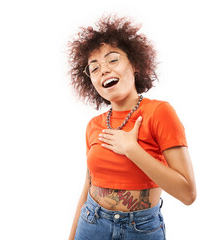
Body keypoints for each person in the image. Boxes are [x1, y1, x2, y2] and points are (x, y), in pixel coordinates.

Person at [68, 15, 196, 240]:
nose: (104, 70)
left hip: (141, 229)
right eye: (94, 68)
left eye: (113, 60)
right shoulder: (93, 126)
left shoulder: (159, 112)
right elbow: (87, 186)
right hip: (91, 222)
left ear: (135, 63)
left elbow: (188, 193)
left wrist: (132, 150)